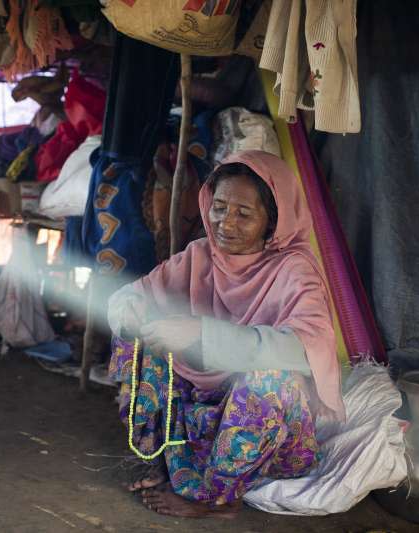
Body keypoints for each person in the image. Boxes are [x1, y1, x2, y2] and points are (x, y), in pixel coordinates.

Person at [107, 150, 346, 518]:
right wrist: (131, 311)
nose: (225, 223)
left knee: (268, 382)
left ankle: (214, 497)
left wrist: (203, 334)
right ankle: (161, 456)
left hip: (263, 431)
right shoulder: (200, 255)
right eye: (219, 207)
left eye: (243, 214)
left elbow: (304, 349)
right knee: (136, 338)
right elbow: (131, 295)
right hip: (201, 398)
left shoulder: (294, 271)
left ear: (273, 220)